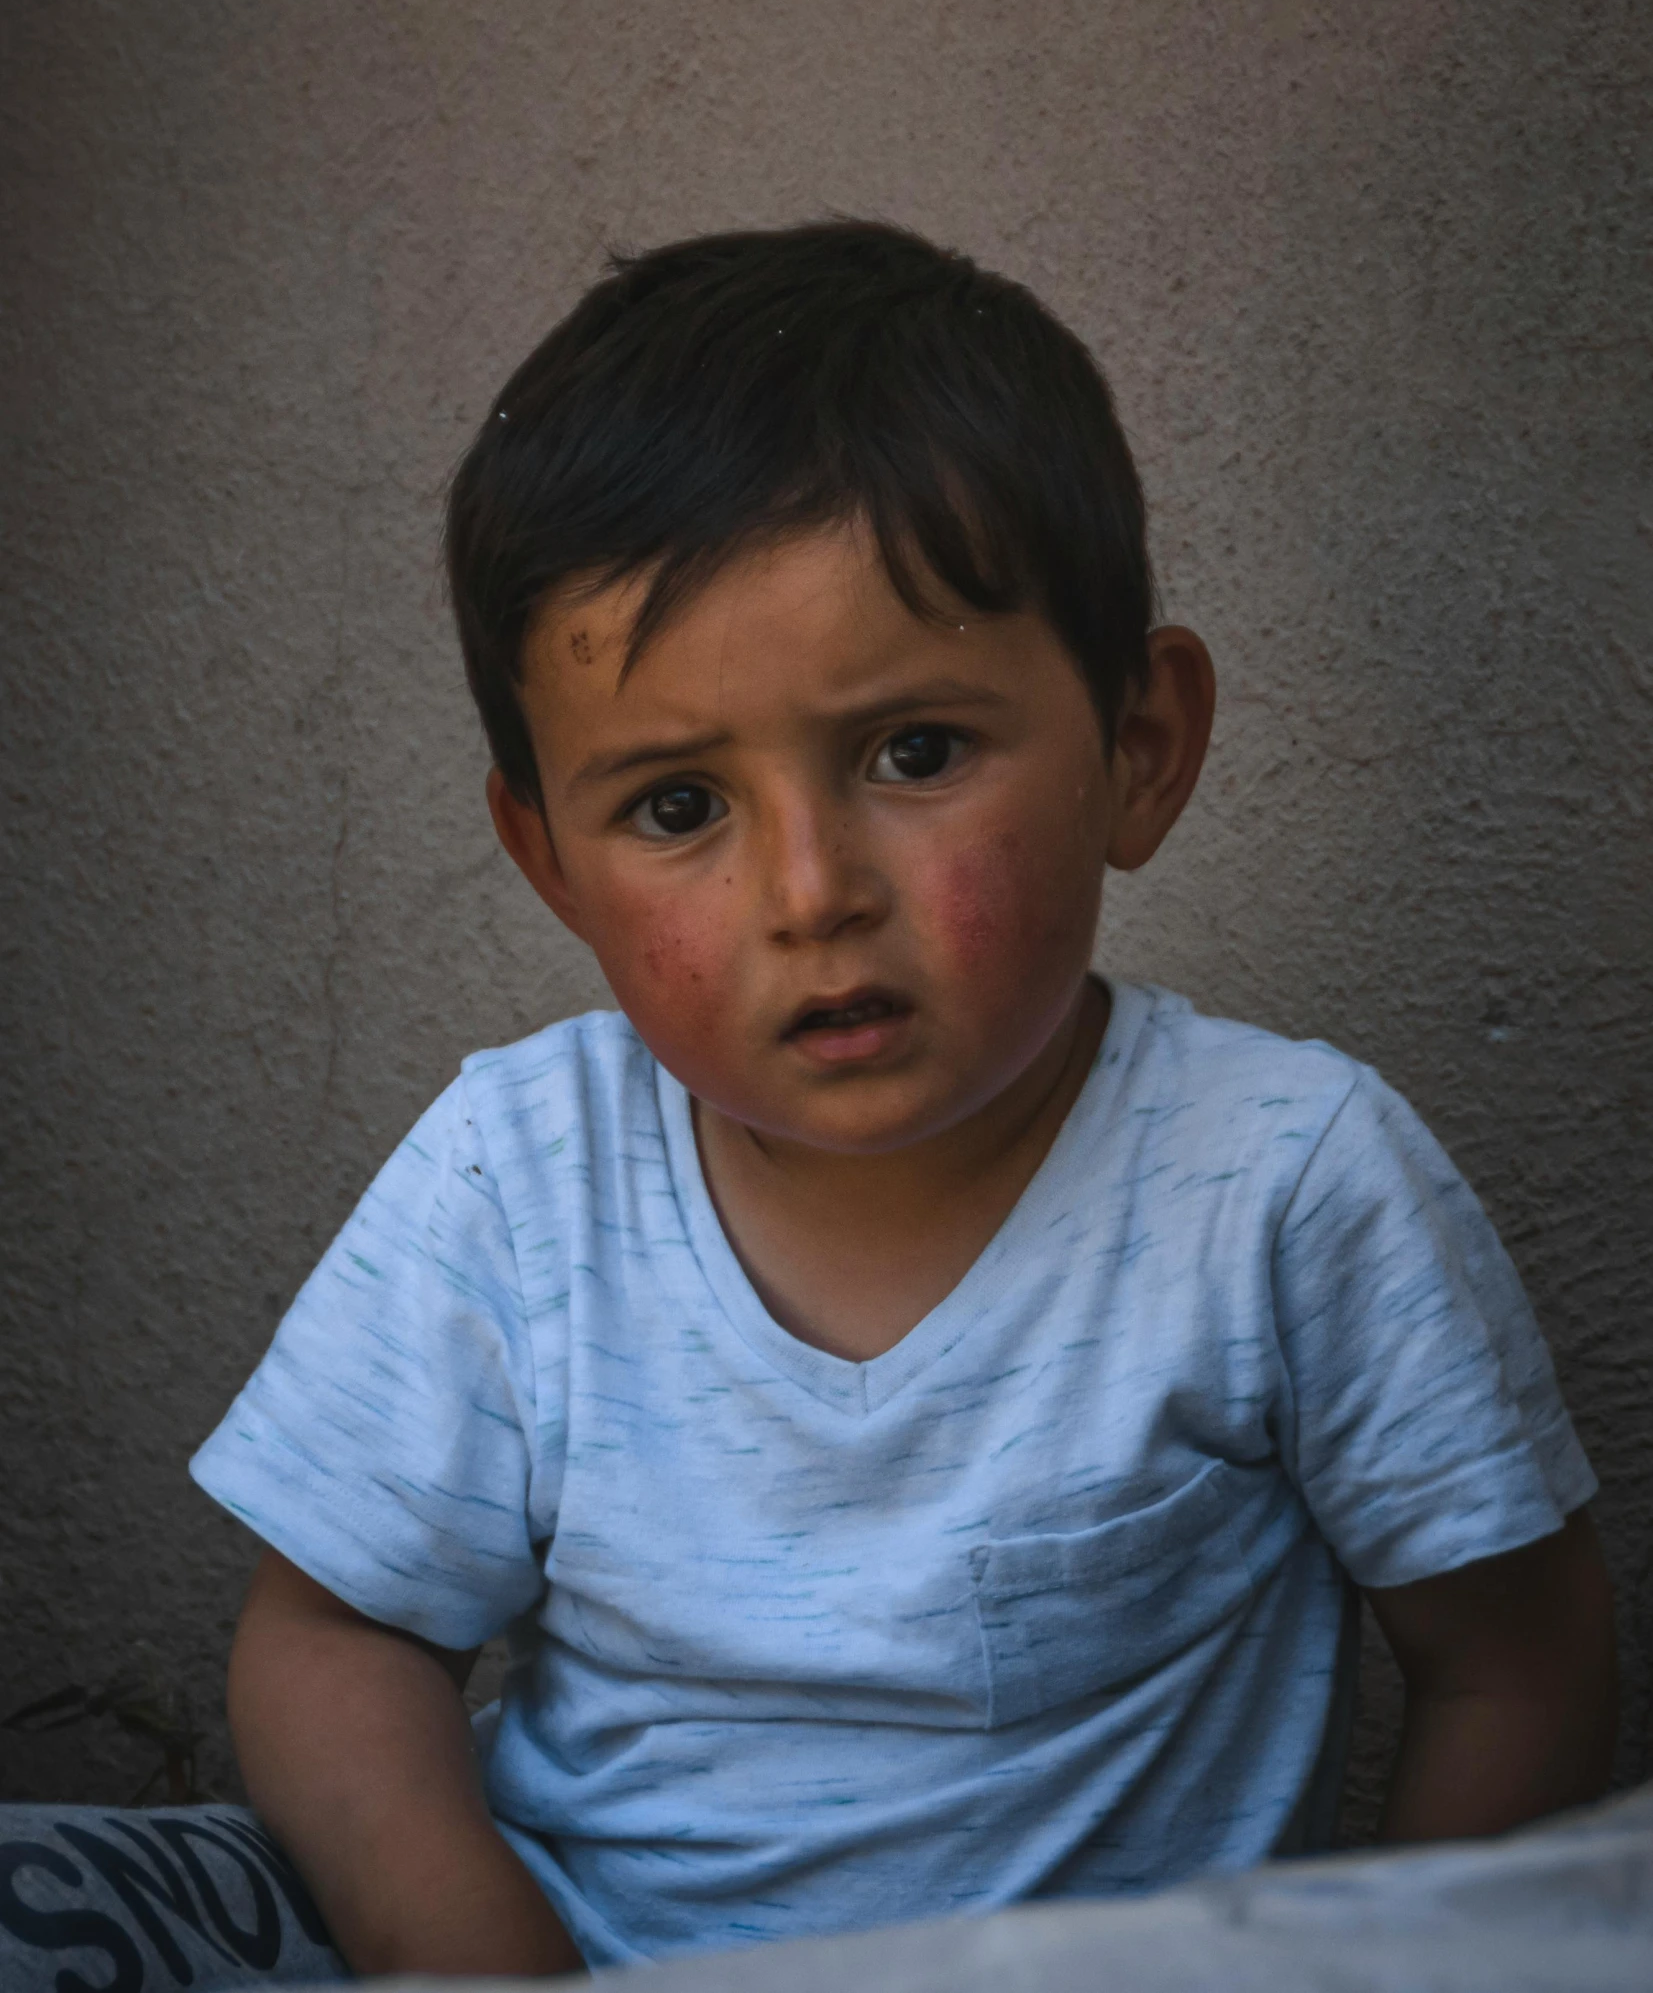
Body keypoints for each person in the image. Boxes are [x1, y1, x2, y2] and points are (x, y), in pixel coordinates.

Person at [190, 222, 1617, 1979]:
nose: (810, 891)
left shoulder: (1281, 1183)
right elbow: (334, 1641)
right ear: (548, 859)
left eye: (914, 755)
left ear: (1140, 750)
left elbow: (1517, 1663)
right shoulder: (516, 1175)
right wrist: (467, 1953)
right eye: (675, 807)